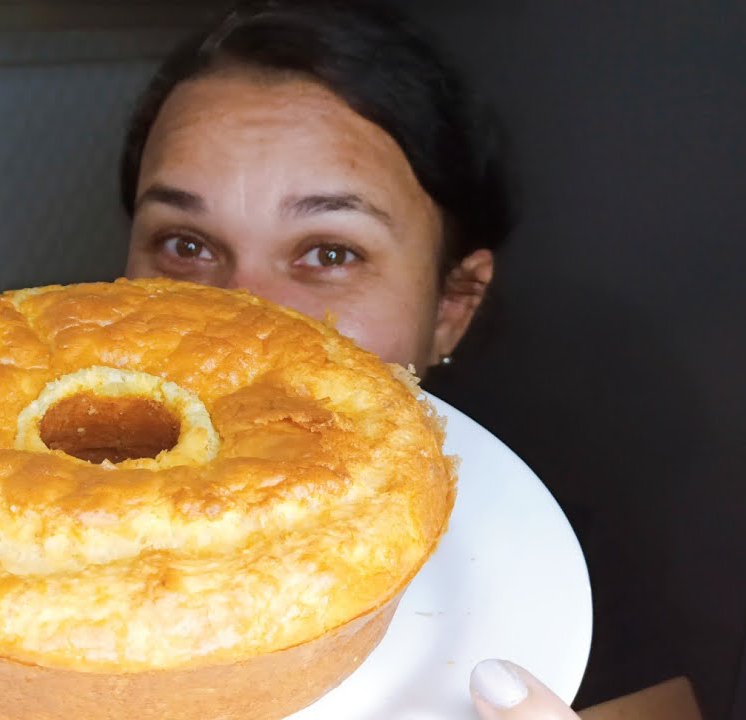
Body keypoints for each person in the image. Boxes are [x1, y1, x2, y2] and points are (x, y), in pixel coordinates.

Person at [117, 2, 578, 717]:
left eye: (330, 253)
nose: (244, 326)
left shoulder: (524, 600)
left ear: (450, 308)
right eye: (186, 245)